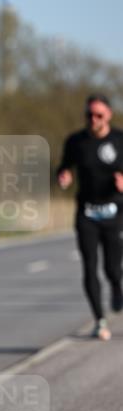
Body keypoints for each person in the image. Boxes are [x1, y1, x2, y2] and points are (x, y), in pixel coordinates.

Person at [57, 95, 123, 341]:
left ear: (108, 116)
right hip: (86, 212)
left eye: (99, 115)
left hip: (114, 212)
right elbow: (64, 166)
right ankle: (99, 319)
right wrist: (63, 176)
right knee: (90, 266)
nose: (93, 120)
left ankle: (117, 286)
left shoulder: (119, 140)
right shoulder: (76, 141)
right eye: (89, 115)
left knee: (112, 268)